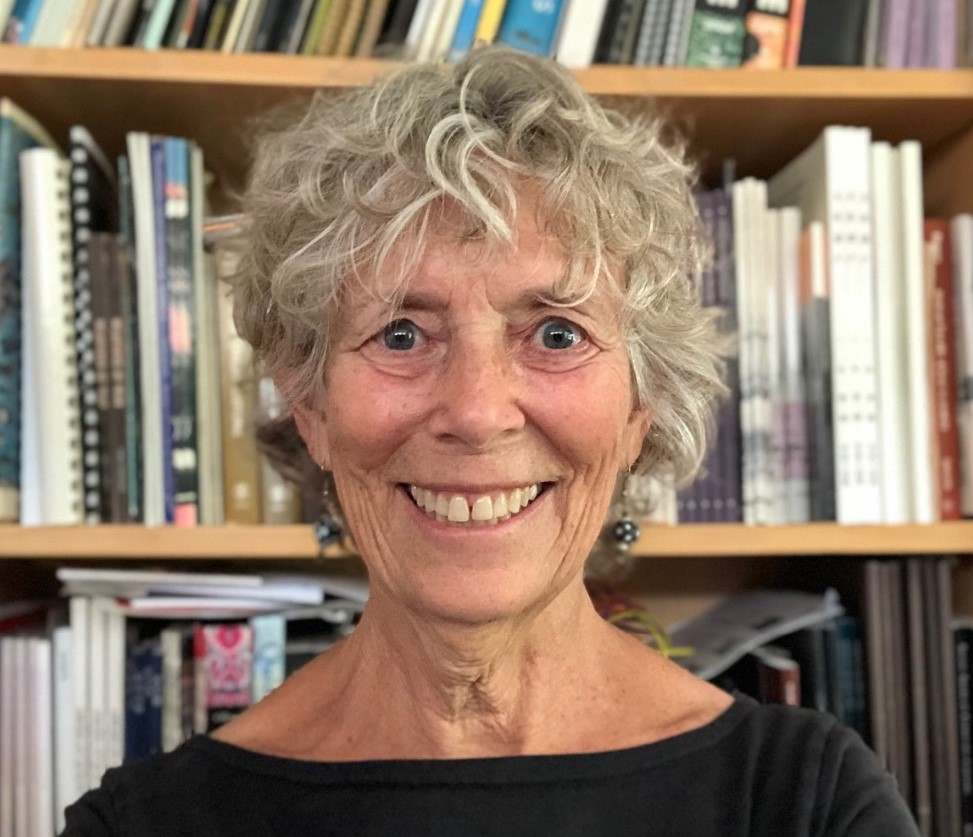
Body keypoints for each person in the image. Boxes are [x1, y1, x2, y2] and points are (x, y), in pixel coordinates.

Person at [62, 46, 918, 837]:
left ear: (638, 409)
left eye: (555, 334)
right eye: (401, 334)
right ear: (311, 405)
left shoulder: (806, 804)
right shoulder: (146, 824)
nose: (476, 412)